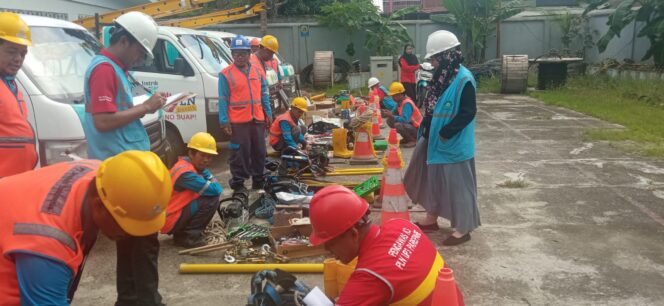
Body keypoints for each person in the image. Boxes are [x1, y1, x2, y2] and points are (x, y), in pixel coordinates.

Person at [0, 150, 172, 305]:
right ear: (98, 207)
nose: (130, 234)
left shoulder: (100, 174)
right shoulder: (48, 245)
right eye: (127, 226)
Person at [81, 11, 167, 305]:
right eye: (139, 52)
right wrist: (146, 108)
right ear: (124, 41)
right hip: (124, 173)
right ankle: (146, 300)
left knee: (130, 243)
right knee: (143, 244)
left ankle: (129, 300)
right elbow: (103, 122)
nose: (138, 59)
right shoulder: (105, 69)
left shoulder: (113, 68)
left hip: (126, 167)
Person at [309, 185, 463, 305]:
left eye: (330, 244)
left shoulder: (370, 277)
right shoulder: (401, 225)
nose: (328, 251)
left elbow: (372, 282)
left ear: (354, 234)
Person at [404, 30, 481, 246]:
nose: (434, 63)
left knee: (458, 187)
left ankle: (463, 228)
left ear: (448, 56)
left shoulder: (464, 78)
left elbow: (468, 112)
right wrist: (427, 127)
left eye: (436, 58)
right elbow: (431, 105)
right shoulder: (441, 76)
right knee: (431, 181)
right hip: (433, 141)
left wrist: (447, 132)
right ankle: (431, 218)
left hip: (452, 143)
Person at [219, 35, 271, 191]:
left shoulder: (257, 71)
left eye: (242, 53)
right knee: (239, 153)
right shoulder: (225, 74)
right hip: (238, 122)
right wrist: (224, 120)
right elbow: (223, 99)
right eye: (236, 53)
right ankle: (238, 182)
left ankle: (258, 179)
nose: (239, 57)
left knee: (259, 151)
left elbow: (264, 94)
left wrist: (268, 113)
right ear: (232, 55)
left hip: (258, 119)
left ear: (249, 54)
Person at [161, 132, 222, 248]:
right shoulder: (186, 174)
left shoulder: (185, 165)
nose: (206, 160)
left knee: (204, 194)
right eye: (203, 155)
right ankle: (188, 237)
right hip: (170, 218)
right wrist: (208, 175)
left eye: (209, 157)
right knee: (211, 199)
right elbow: (217, 189)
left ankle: (182, 233)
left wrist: (204, 171)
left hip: (171, 215)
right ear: (191, 153)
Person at [0, 12, 37, 178]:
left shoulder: (11, 84)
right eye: (12, 51)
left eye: (23, 53)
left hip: (14, 182)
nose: (18, 59)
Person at [381, 82, 423, 148]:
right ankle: (407, 138)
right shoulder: (399, 102)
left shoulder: (407, 103)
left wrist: (391, 116)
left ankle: (413, 140)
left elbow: (405, 120)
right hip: (411, 126)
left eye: (394, 96)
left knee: (398, 125)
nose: (393, 98)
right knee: (389, 120)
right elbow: (393, 113)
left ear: (400, 94)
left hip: (418, 129)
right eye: (392, 96)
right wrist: (387, 113)